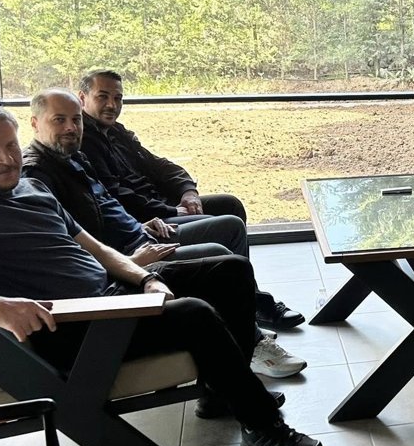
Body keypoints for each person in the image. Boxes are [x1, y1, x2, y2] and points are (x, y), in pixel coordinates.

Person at [0, 104, 324, 446]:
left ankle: (221, 393)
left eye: (9, 146)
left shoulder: (32, 189)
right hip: (76, 328)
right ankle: (264, 429)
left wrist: (146, 277)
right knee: (194, 314)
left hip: (110, 293)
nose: (6, 158)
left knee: (229, 270)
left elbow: (96, 248)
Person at [22, 88, 306, 381]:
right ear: (35, 123)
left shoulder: (73, 156)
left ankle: (246, 324)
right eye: (59, 120)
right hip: (129, 258)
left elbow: (108, 204)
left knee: (229, 224)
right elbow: (71, 250)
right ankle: (251, 343)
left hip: (141, 233)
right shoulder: (37, 177)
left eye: (75, 120)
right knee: (221, 257)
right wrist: (133, 260)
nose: (71, 127)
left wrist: (141, 223)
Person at [75, 69, 303, 331]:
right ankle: (250, 308)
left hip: (160, 206)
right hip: (148, 219)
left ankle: (250, 299)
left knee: (229, 204)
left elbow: (159, 165)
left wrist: (187, 191)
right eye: (102, 96)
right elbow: (118, 197)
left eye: (118, 98)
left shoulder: (115, 132)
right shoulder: (83, 143)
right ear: (83, 98)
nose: (112, 105)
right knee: (229, 226)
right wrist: (171, 210)